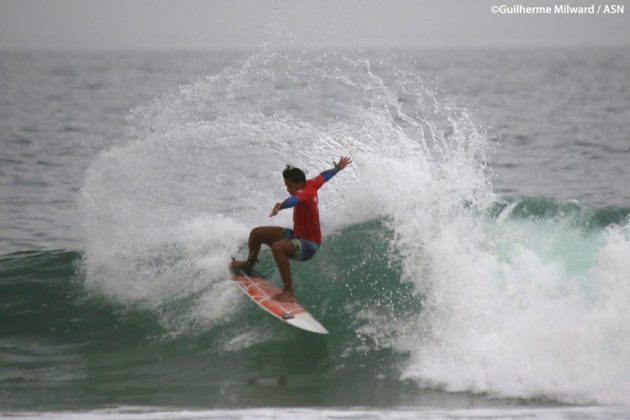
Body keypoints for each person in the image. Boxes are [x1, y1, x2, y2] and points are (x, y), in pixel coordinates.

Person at [230, 156, 352, 302]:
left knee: (278, 248)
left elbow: (294, 200)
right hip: (297, 236)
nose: (288, 190)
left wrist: (281, 206)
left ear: (300, 183)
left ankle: (289, 293)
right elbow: (324, 176)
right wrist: (337, 168)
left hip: (309, 245)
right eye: (287, 186)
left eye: (290, 186)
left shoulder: (304, 193)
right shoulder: (312, 183)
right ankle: (248, 264)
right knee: (256, 233)